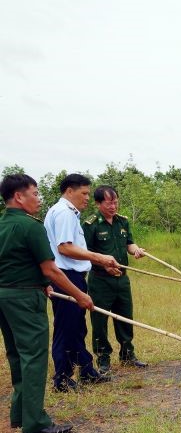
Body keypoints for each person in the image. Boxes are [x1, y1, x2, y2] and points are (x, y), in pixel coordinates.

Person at [0, 174, 95, 433]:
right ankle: (36, 424)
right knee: (33, 358)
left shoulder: (3, 225)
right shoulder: (31, 226)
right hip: (25, 299)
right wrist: (79, 295)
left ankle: (19, 414)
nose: (39, 201)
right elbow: (51, 269)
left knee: (17, 356)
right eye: (35, 194)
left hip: (5, 296)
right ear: (19, 196)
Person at [43, 173, 119, 393]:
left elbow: (72, 249)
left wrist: (101, 263)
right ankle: (62, 379)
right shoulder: (64, 213)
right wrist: (100, 257)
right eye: (84, 193)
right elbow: (64, 248)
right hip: (65, 276)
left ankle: (86, 371)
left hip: (73, 274)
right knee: (66, 328)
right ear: (70, 191)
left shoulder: (68, 213)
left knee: (77, 327)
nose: (87, 198)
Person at [82, 185, 148, 372]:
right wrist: (103, 265)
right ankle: (103, 358)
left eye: (116, 202)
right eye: (109, 203)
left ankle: (128, 354)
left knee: (125, 316)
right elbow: (85, 252)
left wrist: (136, 250)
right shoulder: (91, 224)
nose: (113, 206)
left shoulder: (122, 222)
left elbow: (129, 243)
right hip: (100, 280)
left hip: (122, 279)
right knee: (100, 320)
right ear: (98, 203)